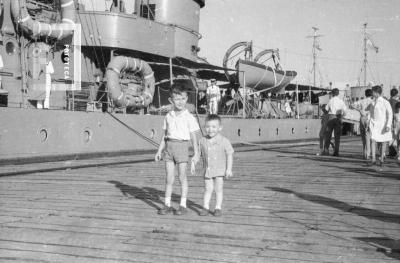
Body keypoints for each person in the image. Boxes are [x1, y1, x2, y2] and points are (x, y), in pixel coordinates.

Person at [155, 83, 200, 215]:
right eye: (177, 99)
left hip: (182, 148)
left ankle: (183, 205)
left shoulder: (189, 117)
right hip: (169, 148)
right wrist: (159, 151)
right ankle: (167, 205)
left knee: (182, 177)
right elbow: (165, 136)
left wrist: (196, 153)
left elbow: (193, 137)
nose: (180, 102)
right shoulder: (168, 116)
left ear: (186, 99)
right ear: (171, 100)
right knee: (169, 178)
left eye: (183, 99)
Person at [194, 114, 234, 217]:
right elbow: (199, 154)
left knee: (218, 189)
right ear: (204, 127)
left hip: (220, 170)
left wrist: (229, 169)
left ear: (220, 128)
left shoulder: (224, 141)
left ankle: (217, 207)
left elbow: (229, 154)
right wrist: (195, 159)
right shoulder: (202, 141)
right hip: (208, 170)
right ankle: (205, 207)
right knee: (208, 189)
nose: (210, 129)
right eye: (207, 127)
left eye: (213, 127)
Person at [369, 85, 393, 166]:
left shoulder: (385, 102)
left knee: (383, 142)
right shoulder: (372, 102)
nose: (372, 93)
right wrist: (369, 123)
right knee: (372, 140)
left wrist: (388, 125)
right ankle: (373, 159)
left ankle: (382, 159)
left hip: (383, 124)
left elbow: (390, 114)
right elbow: (371, 114)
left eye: (372, 92)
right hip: (374, 124)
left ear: (376, 93)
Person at [323, 88, 347, 156]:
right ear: (338, 93)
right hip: (338, 117)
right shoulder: (341, 101)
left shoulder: (330, 101)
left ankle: (326, 151)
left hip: (330, 118)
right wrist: (342, 116)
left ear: (332, 93)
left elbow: (326, 110)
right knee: (337, 136)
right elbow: (345, 111)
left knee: (328, 135)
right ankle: (336, 152)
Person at [352, 89, 373, 159]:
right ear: (372, 94)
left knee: (363, 137)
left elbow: (352, 104)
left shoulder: (361, 101)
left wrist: (360, 110)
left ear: (365, 94)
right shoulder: (373, 101)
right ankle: (368, 154)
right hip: (369, 118)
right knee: (368, 137)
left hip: (362, 118)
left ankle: (364, 153)